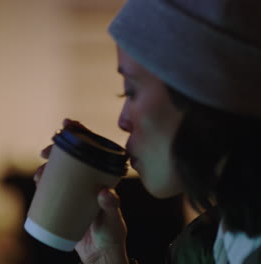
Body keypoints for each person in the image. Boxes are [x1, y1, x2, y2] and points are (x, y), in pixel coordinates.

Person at [34, 0, 261, 263]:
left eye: (130, 91)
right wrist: (106, 257)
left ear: (204, 90)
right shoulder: (216, 243)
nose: (122, 121)